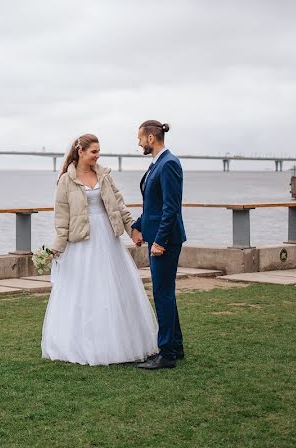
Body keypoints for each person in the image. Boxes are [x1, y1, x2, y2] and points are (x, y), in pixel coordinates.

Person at [41, 133, 158, 366]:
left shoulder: (104, 176)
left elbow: (119, 206)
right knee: (84, 291)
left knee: (111, 288)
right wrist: (56, 248)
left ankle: (117, 343)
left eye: (99, 151)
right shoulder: (66, 181)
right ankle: (82, 343)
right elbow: (61, 219)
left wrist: (132, 230)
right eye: (93, 151)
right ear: (80, 152)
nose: (97, 156)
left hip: (107, 238)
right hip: (81, 241)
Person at [132, 121, 187, 370]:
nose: (139, 143)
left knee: (162, 294)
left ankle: (166, 354)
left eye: (140, 139)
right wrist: (138, 225)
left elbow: (171, 208)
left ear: (151, 138)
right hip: (155, 236)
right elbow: (152, 207)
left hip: (164, 241)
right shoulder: (157, 164)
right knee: (166, 293)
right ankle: (175, 345)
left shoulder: (169, 164)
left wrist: (160, 242)